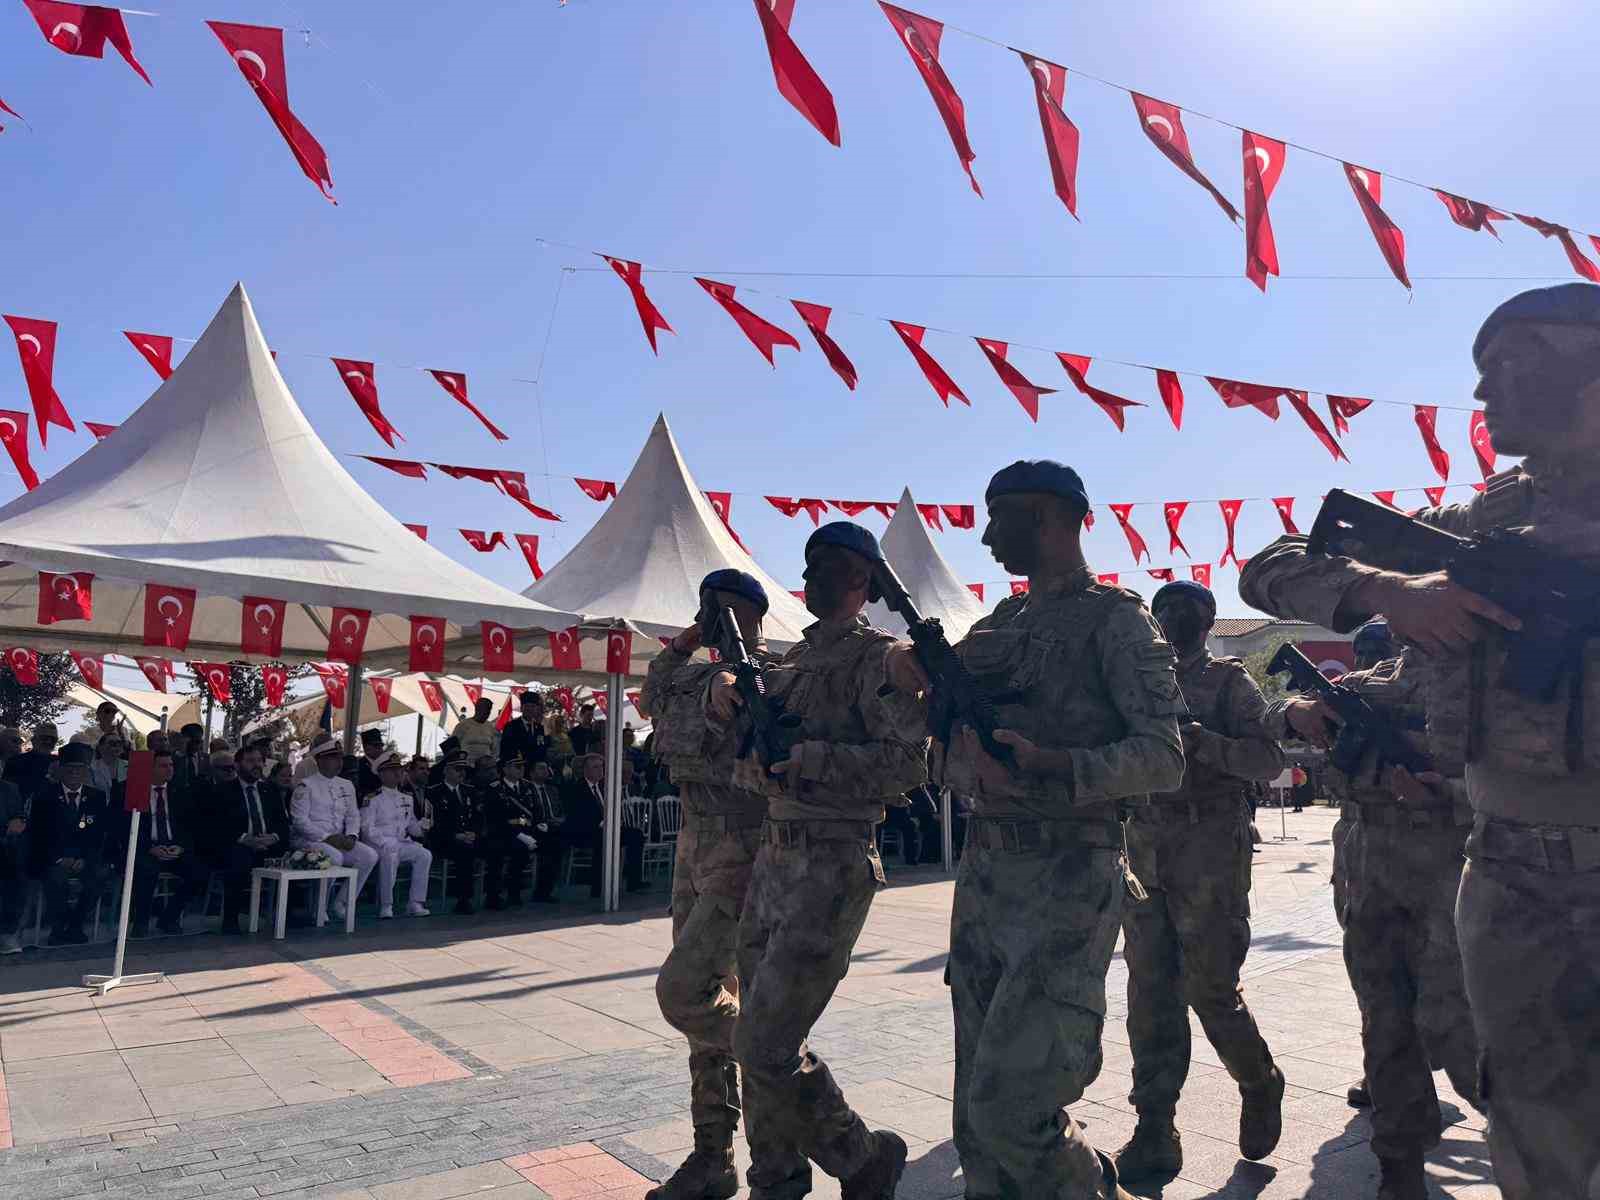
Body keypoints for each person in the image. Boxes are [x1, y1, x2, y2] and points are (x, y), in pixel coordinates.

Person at [1237, 283, 1600, 1199]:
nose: (1485, 397)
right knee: (1526, 1121)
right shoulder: (1487, 523)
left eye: (1513, 369)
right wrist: (1391, 594)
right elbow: (1273, 563)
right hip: (1507, 867)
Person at [902, 461, 1185, 1200]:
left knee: (1013, 1110)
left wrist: (1056, 765)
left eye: (1003, 518)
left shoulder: (1116, 620)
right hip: (987, 877)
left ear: (1054, 519)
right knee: (974, 1113)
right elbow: (936, 736)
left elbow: (1163, 756)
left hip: (1068, 877)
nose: (988, 536)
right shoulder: (999, 624)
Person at [715, 521, 929, 1200]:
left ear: (862, 583)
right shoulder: (789, 664)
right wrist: (756, 756)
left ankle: (863, 1157)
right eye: (809, 567)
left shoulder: (880, 660)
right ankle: (775, 1178)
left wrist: (816, 759)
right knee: (755, 1037)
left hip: (833, 862)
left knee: (766, 1040)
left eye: (829, 568)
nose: (812, 579)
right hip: (775, 858)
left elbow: (907, 766)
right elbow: (753, 766)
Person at [1273, 628, 1480, 1193]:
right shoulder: (1369, 682)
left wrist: (1451, 795)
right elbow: (1272, 717)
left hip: (1447, 871)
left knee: (1457, 1023)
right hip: (1371, 872)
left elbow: (1530, 782)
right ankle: (1399, 1162)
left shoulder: (1485, 677)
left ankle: (1538, 1153)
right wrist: (1295, 711)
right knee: (1384, 1022)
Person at [1112, 580, 1285, 1182]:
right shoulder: (1135, 680)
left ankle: (1259, 1080)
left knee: (1209, 987)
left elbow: (1270, 759)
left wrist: (1206, 744)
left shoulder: (1229, 682)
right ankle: (1154, 1126)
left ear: (1209, 621)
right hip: (1144, 845)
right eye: (1165, 610)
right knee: (1150, 993)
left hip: (1209, 845)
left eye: (1189, 611)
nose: (1175, 618)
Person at [639, 568, 782, 1200]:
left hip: (743, 847)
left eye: (727, 611)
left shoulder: (772, 678)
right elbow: (652, 690)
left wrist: (737, 678)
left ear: (754, 616)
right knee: (706, 1015)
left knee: (700, 993)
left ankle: (792, 1111)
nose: (715, 619)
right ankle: (712, 1154)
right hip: (694, 846)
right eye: (707, 608)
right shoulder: (689, 673)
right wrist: (688, 640)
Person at [290, 735, 378, 919]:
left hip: (339, 839)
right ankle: (318, 907)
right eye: (333, 758)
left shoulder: (346, 785)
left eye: (339, 757)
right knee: (335, 858)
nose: (339, 762)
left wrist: (352, 835)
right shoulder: (306, 785)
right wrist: (328, 837)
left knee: (369, 856)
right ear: (320, 760)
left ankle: (341, 902)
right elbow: (299, 821)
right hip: (309, 840)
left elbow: (353, 814)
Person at [204, 744, 290, 933]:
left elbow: (283, 824)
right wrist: (246, 839)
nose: (256, 765)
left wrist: (273, 837)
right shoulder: (223, 791)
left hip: (269, 845)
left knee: (296, 858)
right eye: (250, 761)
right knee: (238, 859)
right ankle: (231, 920)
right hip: (237, 845)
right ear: (237, 765)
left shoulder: (270, 790)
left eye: (259, 760)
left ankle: (286, 916)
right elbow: (217, 827)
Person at [36, 742, 112, 944]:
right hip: (54, 858)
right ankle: (58, 928)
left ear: (86, 771)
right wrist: (60, 859)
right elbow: (39, 835)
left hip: (84, 858)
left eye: (79, 768)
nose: (74, 773)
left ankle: (76, 924)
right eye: (69, 768)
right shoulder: (44, 796)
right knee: (55, 879)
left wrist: (84, 859)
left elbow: (98, 833)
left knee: (98, 877)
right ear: (60, 769)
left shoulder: (96, 797)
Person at [129, 749, 206, 937]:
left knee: (199, 872)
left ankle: (169, 917)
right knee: (146, 870)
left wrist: (180, 846)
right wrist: (150, 848)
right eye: (163, 765)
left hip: (173, 848)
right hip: (147, 848)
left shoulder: (180, 791)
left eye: (171, 765)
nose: (169, 769)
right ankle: (140, 922)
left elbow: (191, 826)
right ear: (150, 768)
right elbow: (125, 828)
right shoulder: (135, 790)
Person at [359, 750, 432, 919]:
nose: (398, 773)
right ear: (382, 774)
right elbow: (367, 827)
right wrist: (384, 843)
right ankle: (386, 904)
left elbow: (411, 826)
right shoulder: (372, 798)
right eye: (392, 770)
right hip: (377, 844)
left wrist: (422, 827)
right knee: (390, 856)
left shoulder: (406, 798)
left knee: (424, 855)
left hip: (400, 842)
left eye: (399, 769)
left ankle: (415, 902)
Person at [427, 749, 485, 915]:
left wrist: (474, 832)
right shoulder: (434, 792)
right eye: (457, 769)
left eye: (463, 770)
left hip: (468, 836)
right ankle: (463, 900)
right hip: (445, 839)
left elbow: (478, 817)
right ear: (446, 770)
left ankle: (495, 894)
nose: (461, 773)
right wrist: (455, 835)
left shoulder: (469, 791)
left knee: (493, 846)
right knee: (464, 852)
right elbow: (433, 822)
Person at [481, 753, 536, 908]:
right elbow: (495, 818)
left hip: (525, 832)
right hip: (501, 832)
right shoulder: (495, 788)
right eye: (517, 766)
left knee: (546, 845)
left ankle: (517, 891)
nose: (521, 769)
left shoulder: (527, 786)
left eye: (523, 766)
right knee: (497, 852)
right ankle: (493, 896)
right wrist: (519, 829)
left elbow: (534, 812)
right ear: (505, 769)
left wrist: (526, 829)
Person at [559, 754, 607, 899]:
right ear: (586, 770)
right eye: (596, 767)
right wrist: (600, 823)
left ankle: (633, 881)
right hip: (583, 831)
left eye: (601, 767)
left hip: (605, 828)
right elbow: (576, 815)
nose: (600, 771)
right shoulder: (576, 788)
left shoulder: (605, 787)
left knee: (635, 834)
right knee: (602, 841)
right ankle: (597, 887)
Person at [0, 748, 28, 955]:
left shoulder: (10, 789)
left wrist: (19, 822)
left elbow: (18, 815)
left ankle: (6, 933)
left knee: (16, 874)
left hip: (6, 847)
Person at [526, 760, 565, 903]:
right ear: (531, 773)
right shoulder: (526, 789)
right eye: (541, 768)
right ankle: (542, 892)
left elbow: (561, 810)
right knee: (550, 846)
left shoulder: (552, 789)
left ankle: (548, 889)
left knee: (558, 842)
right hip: (534, 829)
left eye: (546, 768)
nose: (545, 771)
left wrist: (560, 819)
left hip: (553, 828)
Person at [8, 722, 59, 803]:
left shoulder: (60, 763)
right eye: (44, 738)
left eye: (53, 739)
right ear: (33, 740)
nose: (48, 742)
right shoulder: (16, 762)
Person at [499, 690, 549, 767]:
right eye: (527, 706)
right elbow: (506, 749)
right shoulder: (511, 726)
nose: (529, 709)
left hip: (535, 769)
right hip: (517, 767)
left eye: (533, 706)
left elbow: (542, 749)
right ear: (521, 708)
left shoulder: (539, 727)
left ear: (536, 709)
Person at [452, 697, 499, 762]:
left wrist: (491, 761)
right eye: (485, 708)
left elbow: (495, 749)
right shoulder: (462, 726)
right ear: (477, 708)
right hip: (467, 765)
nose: (488, 712)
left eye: (489, 709)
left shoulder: (491, 727)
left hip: (485, 767)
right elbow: (452, 747)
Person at [356, 728, 386, 801]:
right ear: (366, 748)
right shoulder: (358, 766)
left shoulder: (384, 766)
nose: (380, 749)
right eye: (376, 746)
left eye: (381, 746)